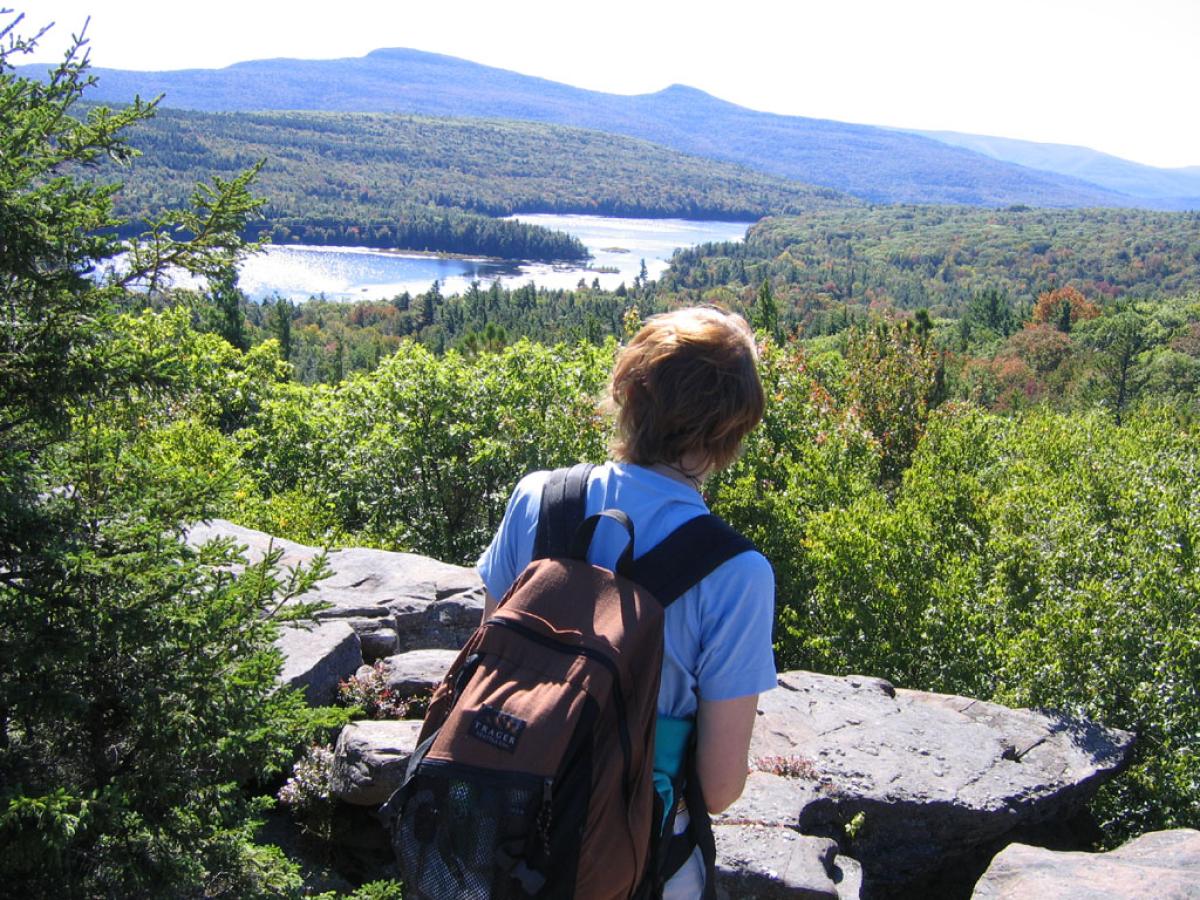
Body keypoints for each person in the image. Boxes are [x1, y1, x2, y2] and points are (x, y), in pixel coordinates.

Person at [476, 305, 776, 898]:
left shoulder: (538, 497)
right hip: (636, 859)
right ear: (734, 433)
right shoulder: (737, 573)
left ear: (626, 392)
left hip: (501, 829)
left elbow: (491, 667)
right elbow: (718, 788)